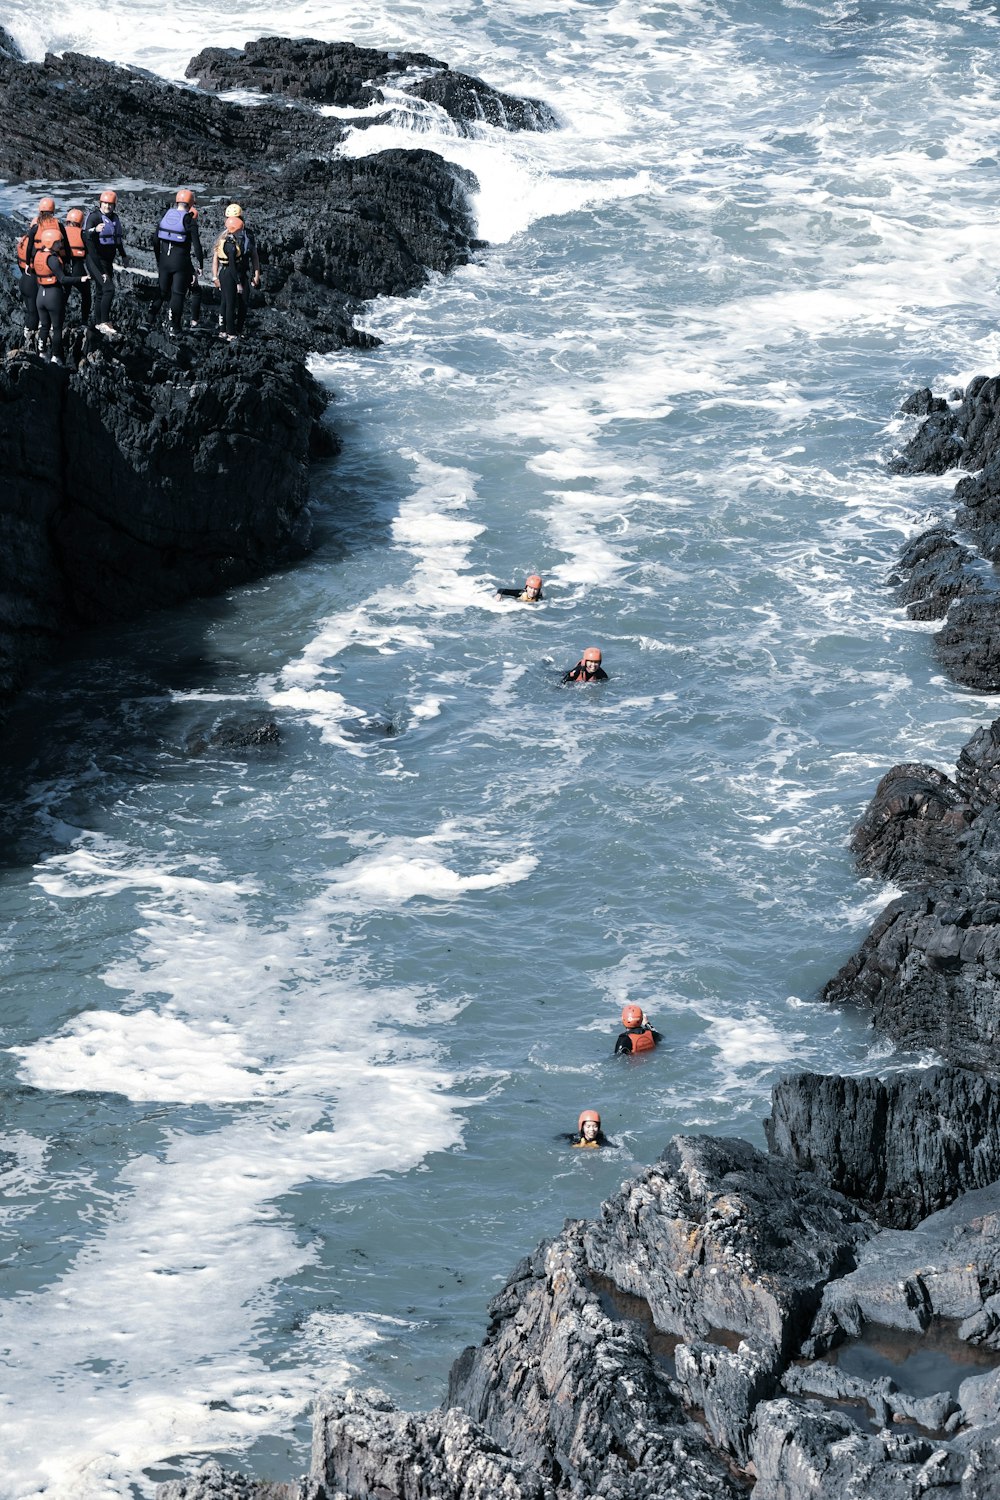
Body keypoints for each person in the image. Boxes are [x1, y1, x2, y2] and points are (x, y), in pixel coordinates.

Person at [32, 213, 87, 364]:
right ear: (51, 243)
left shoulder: (38, 256)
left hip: (40, 296)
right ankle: (56, 356)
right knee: (56, 328)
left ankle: (42, 354)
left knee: (44, 326)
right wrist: (80, 278)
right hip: (53, 296)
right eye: (58, 243)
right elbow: (62, 279)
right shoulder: (54, 259)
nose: (60, 245)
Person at [154, 188, 204, 337]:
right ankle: (174, 328)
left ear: (177, 201)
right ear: (190, 203)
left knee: (162, 292)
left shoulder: (166, 215)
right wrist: (200, 265)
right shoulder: (189, 220)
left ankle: (148, 321)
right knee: (177, 294)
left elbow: (155, 240)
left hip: (163, 261)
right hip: (180, 262)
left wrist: (159, 259)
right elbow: (197, 246)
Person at [83, 189, 128, 334]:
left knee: (101, 292)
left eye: (110, 204)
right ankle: (104, 321)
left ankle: (98, 323)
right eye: (105, 203)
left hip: (108, 261)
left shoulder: (115, 218)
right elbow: (86, 237)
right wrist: (95, 230)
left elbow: (117, 239)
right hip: (95, 261)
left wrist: (123, 255)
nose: (107, 206)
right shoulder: (94, 217)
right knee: (109, 289)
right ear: (100, 203)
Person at [223, 203, 260, 334]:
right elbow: (217, 256)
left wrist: (256, 275)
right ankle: (228, 331)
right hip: (229, 273)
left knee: (243, 303)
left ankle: (238, 330)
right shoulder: (225, 236)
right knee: (228, 304)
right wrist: (215, 276)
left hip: (243, 273)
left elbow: (254, 255)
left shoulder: (248, 235)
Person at [212, 215, 248, 341]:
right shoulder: (231, 246)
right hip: (229, 275)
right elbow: (233, 266)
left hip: (224, 272)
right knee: (230, 305)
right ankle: (231, 333)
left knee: (225, 303)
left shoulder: (223, 240)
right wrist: (238, 283)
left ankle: (223, 331)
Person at [63, 208, 91, 325]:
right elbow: (90, 252)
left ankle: (59, 320)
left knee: (63, 297)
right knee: (86, 295)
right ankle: (84, 321)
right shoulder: (83, 234)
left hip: (63, 269)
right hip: (78, 269)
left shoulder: (61, 231)